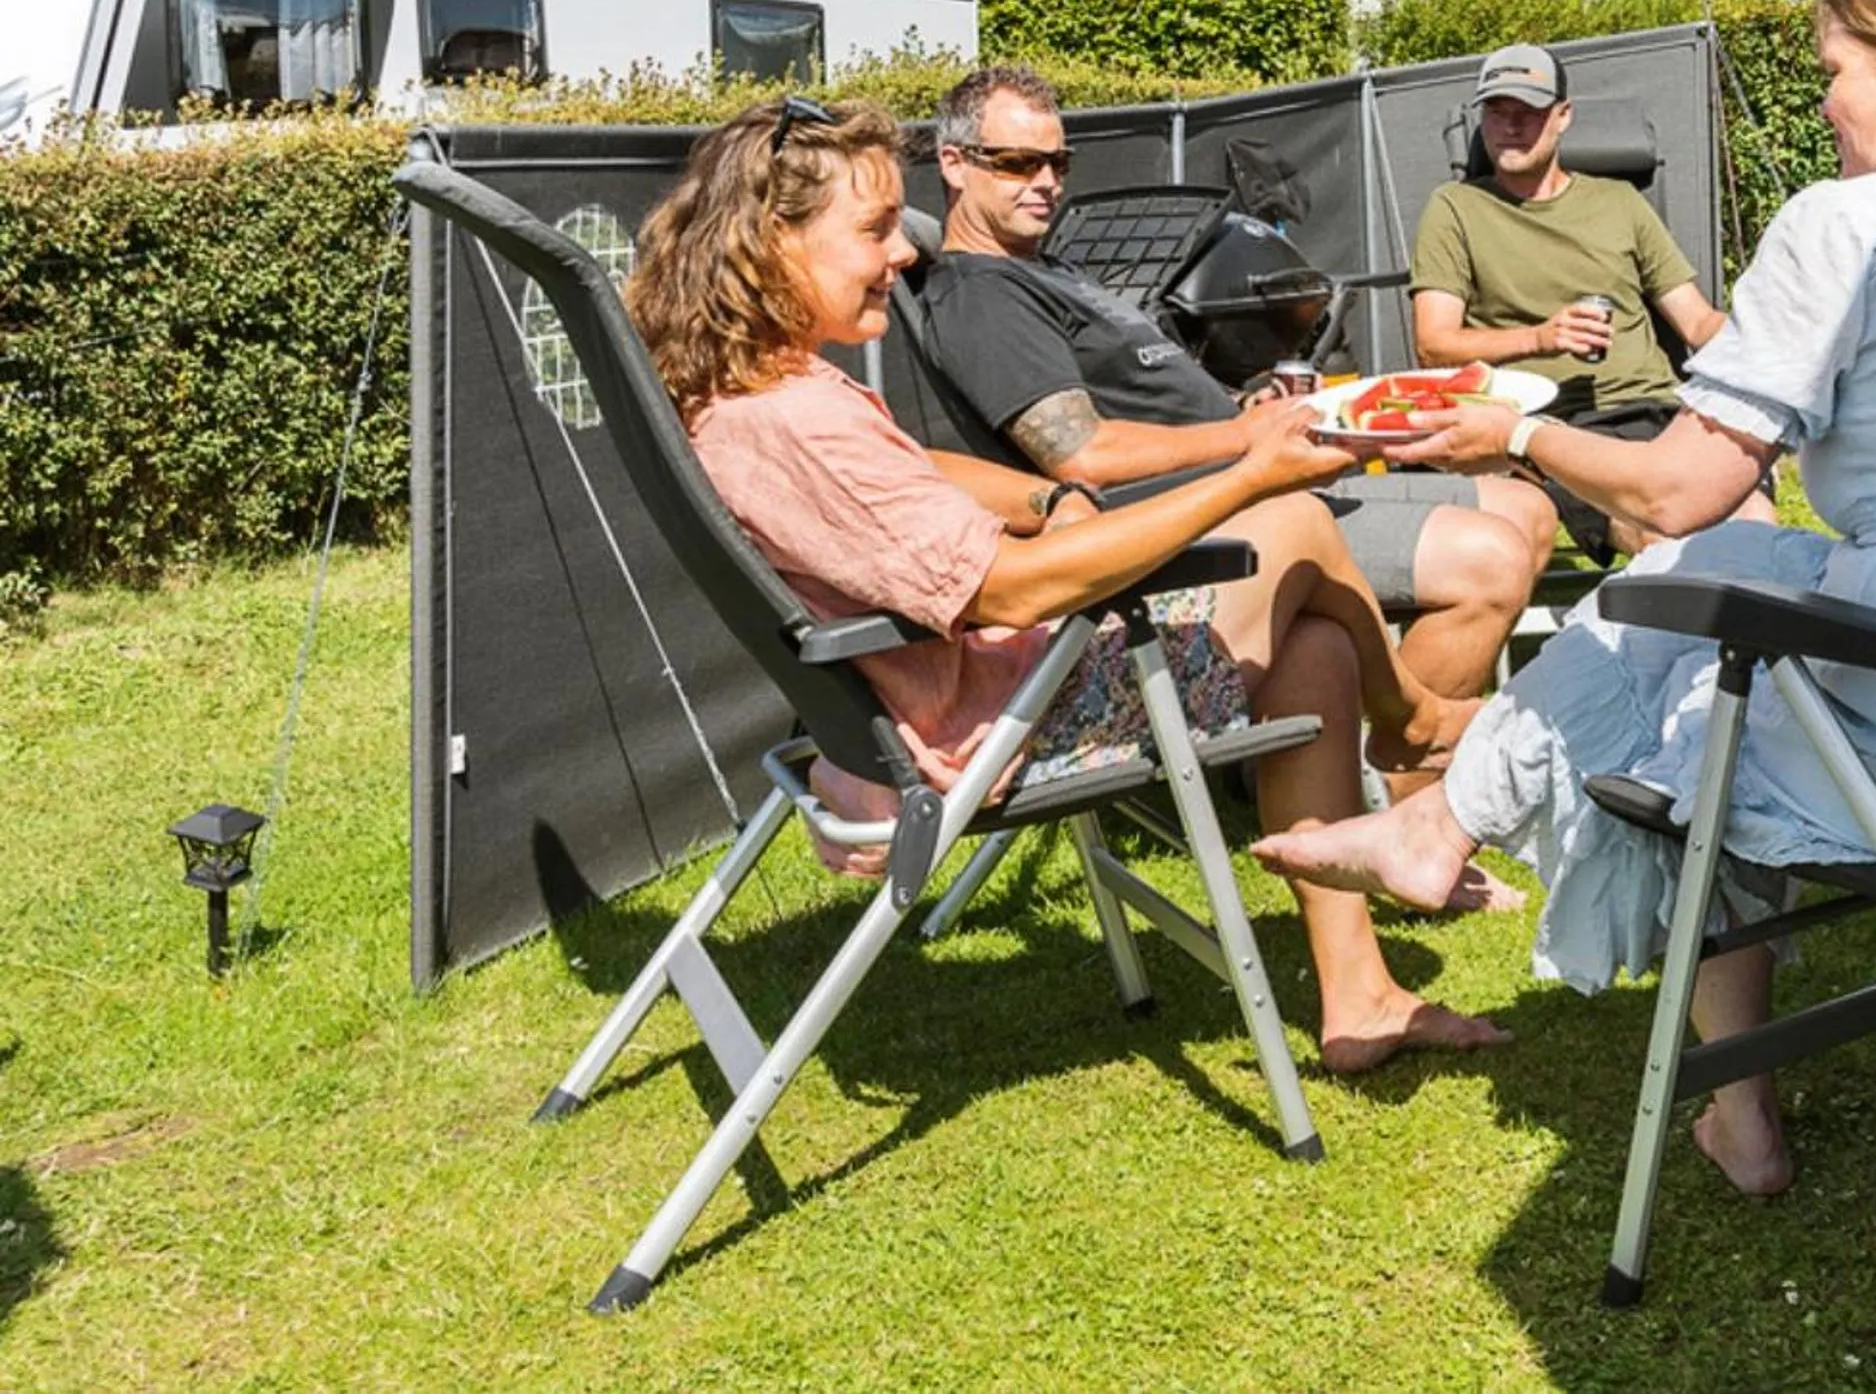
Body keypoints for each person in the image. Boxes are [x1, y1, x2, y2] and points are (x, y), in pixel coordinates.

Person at [1254, 0, 1876, 1190]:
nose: (1823, 104)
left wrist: (1514, 430)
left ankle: (1455, 830)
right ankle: (1443, 821)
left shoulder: (1855, 222)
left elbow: (1688, 475)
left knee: (1696, 701)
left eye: (1832, 74)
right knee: (1715, 578)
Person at [623, 94, 1509, 1074]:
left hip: (957, 698)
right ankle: (1414, 721)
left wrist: (1049, 500)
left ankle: (1361, 996)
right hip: (1003, 723)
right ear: (768, 241)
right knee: (1294, 525)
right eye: (873, 228)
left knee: (1318, 645)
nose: (902, 252)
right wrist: (1249, 475)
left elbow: (920, 465)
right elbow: (1014, 593)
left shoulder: (752, 391)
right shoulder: (798, 421)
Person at [911, 65, 1555, 732]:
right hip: (1200, 519)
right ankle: (1405, 774)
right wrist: (1247, 438)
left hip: (1252, 478)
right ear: (954, 164)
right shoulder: (981, 295)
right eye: (1017, 163)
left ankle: (1341, 757)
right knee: (1491, 559)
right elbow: (1084, 456)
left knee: (1529, 510)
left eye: (1057, 162)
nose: (1045, 182)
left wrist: (1246, 409)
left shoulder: (1044, 270)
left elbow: (1149, 397)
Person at [1409, 43, 1769, 556]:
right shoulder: (1457, 208)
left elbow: (1696, 321)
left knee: (1754, 523)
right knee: (1661, 535)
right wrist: (1540, 338)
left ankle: (1760, 637)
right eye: (1496, 111)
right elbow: (1434, 345)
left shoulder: (1619, 202)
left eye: (1528, 113)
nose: (1510, 126)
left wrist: (1771, 339)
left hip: (1661, 410)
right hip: (1553, 425)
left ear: (1563, 116)